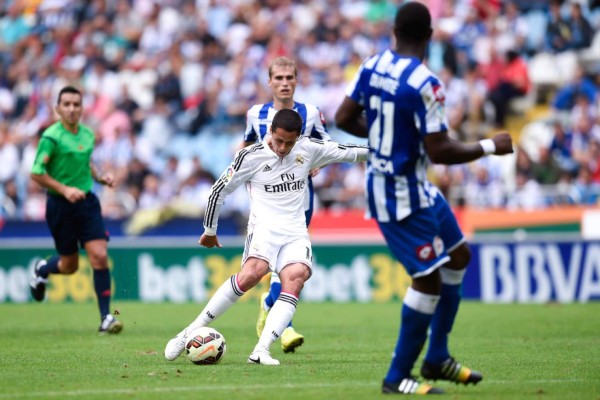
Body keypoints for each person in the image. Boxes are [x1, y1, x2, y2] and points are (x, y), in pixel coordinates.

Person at [335, 3, 513, 395]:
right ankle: (397, 377)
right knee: (428, 278)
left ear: (394, 31)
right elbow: (439, 151)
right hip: (396, 192)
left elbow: (344, 117)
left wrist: (384, 139)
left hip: (416, 186)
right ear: (430, 36)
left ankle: (437, 358)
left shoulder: (372, 64)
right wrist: (489, 146)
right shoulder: (426, 83)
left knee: (459, 256)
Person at [164, 108, 367, 365]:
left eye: (289, 143)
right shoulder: (250, 157)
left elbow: (351, 152)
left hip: (295, 230)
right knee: (252, 273)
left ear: (298, 137)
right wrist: (210, 230)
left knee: (296, 278)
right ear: (270, 131)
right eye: (279, 140)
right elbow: (218, 191)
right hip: (264, 228)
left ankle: (261, 350)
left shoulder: (309, 148)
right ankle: (188, 332)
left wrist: (389, 151)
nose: (283, 147)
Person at [242, 56, 330, 354]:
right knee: (276, 264)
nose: (284, 83)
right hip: (268, 201)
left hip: (299, 198)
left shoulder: (312, 113)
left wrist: (318, 164)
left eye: (289, 78)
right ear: (269, 82)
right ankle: (284, 326)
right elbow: (246, 147)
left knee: (289, 264)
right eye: (278, 78)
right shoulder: (256, 114)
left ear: (296, 80)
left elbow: (326, 147)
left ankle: (270, 305)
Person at [29, 86, 123, 335]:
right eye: (67, 104)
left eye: (76, 104)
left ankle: (106, 318)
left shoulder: (88, 135)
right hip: (60, 206)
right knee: (69, 266)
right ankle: (42, 270)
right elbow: (36, 172)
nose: (71, 109)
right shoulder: (51, 137)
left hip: (87, 203)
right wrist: (64, 189)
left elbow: (87, 161)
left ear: (82, 108)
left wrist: (101, 177)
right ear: (57, 108)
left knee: (100, 255)